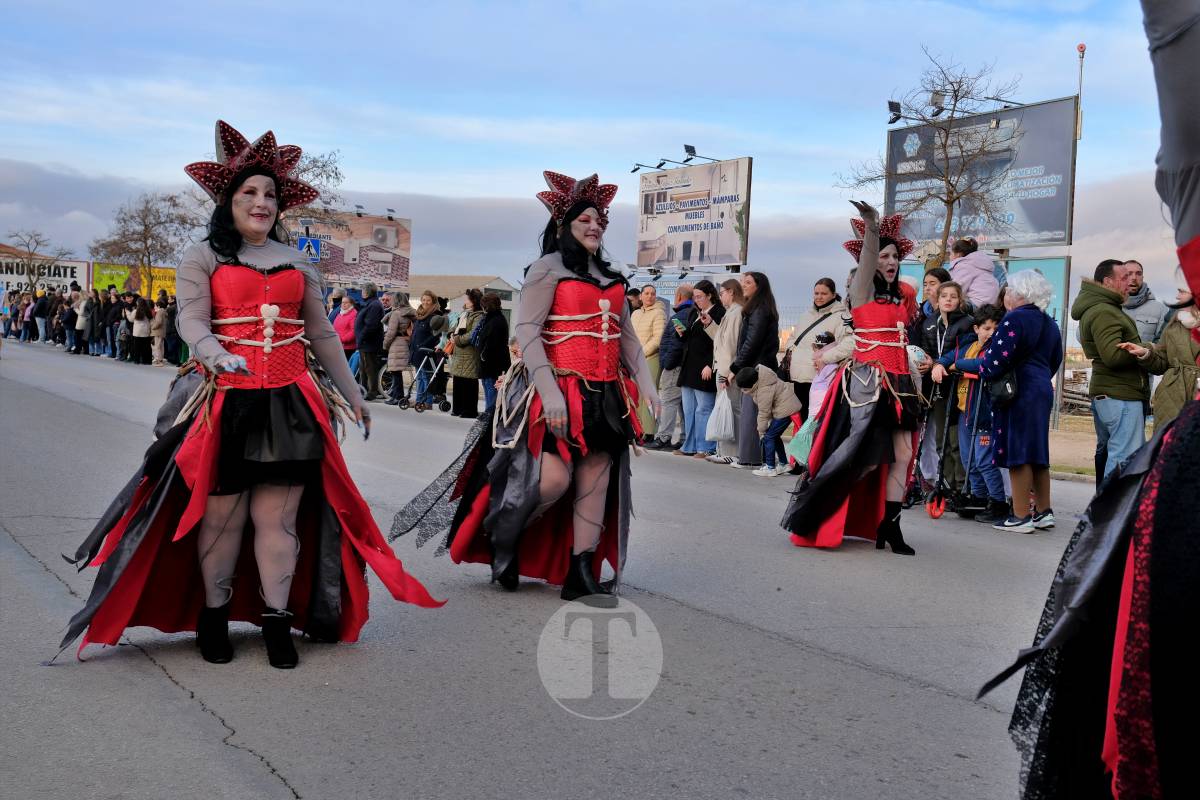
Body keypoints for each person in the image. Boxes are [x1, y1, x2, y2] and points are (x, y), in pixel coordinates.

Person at [60, 120, 441, 669]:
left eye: (270, 194)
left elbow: (324, 333)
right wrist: (217, 355)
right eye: (249, 193)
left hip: (290, 400)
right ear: (227, 199)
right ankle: (213, 615)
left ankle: (277, 621)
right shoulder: (201, 255)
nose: (262, 202)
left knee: (278, 520)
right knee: (223, 520)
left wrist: (354, 392)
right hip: (223, 404)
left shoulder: (299, 261)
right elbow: (192, 322)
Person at [981, 6, 1200, 793]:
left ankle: (1028, 511)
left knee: (1031, 456)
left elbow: (1027, 355)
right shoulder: (1066, 316)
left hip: (1049, 393)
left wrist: (973, 367)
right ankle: (1032, 510)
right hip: (1079, 398)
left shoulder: (1031, 323)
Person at [391, 171, 659, 604]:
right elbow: (529, 332)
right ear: (563, 225)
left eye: (600, 220)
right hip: (554, 389)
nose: (595, 226)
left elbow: (625, 335)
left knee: (596, 479)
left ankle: (580, 572)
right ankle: (505, 536)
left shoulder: (611, 274)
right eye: (585, 219)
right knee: (551, 481)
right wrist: (550, 392)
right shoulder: (545, 269)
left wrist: (645, 384)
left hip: (606, 392)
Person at [783, 205, 924, 554]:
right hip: (868, 385)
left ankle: (890, 528)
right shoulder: (861, 291)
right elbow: (869, 256)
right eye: (884, 256)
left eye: (895, 257)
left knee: (904, 456)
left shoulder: (899, 298)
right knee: (866, 460)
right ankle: (820, 509)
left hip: (899, 382)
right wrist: (873, 229)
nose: (890, 262)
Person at [976, 271, 1063, 532]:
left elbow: (995, 360)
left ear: (1019, 293)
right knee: (1038, 452)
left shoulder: (1014, 319)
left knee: (1018, 452)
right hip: (1041, 387)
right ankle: (1044, 512)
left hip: (1019, 390)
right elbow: (1055, 358)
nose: (1005, 296)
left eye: (1009, 291)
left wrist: (982, 369)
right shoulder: (1049, 323)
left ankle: (1020, 515)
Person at [1071, 259, 1150, 481]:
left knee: (1118, 457)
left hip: (1113, 395)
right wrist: (1143, 350)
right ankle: (1108, 514)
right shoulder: (1105, 311)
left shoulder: (1104, 307)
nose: (1130, 282)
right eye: (1124, 277)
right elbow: (1113, 356)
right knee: (1123, 460)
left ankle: (1107, 512)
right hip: (1120, 397)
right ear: (1108, 281)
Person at [935, 304, 1008, 523]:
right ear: (976, 328)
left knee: (985, 460)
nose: (991, 333)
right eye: (986, 328)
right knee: (969, 460)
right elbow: (949, 357)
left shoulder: (996, 350)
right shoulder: (967, 345)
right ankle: (978, 497)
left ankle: (998, 502)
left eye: (996, 329)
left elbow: (981, 364)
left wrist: (958, 365)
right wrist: (940, 365)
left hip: (984, 414)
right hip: (965, 412)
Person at [1118, 269, 1200, 432]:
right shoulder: (1175, 322)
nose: (1177, 297)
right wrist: (1145, 353)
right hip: (1171, 399)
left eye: (1182, 291)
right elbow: (1162, 359)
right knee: (1171, 451)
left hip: (1196, 395)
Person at [920, 281, 973, 500]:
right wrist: (926, 362)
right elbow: (926, 352)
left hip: (959, 386)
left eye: (953, 296)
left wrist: (941, 363)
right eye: (944, 296)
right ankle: (948, 485)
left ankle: (962, 487)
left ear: (960, 300)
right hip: (937, 386)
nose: (948, 300)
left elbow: (965, 351)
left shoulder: (967, 323)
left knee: (955, 440)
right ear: (938, 300)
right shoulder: (930, 324)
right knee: (941, 440)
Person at [729, 271, 780, 469]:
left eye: (748, 282)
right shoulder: (758, 307)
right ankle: (753, 456)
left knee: (751, 413)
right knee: (754, 412)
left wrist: (736, 366)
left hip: (756, 368)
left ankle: (749, 457)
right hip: (757, 365)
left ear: (759, 286)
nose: (743, 285)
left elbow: (752, 342)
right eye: (742, 281)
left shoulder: (759, 309)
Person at [784, 278, 852, 421]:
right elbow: (793, 337)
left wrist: (825, 358)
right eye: (816, 293)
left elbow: (847, 344)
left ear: (833, 295)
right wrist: (792, 350)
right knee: (802, 422)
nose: (819, 297)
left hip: (819, 379)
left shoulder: (842, 317)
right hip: (797, 378)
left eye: (824, 293)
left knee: (816, 422)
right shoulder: (805, 315)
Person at [676, 280, 725, 458]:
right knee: (689, 410)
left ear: (710, 295)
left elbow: (718, 342)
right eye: (695, 297)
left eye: (699, 297)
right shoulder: (694, 313)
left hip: (705, 367)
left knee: (704, 408)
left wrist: (710, 364)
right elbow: (693, 339)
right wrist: (682, 333)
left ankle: (706, 447)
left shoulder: (719, 313)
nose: (696, 300)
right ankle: (690, 446)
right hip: (689, 366)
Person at [644, 284, 694, 451]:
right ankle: (684, 437)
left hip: (674, 366)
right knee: (681, 404)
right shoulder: (689, 314)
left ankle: (663, 437)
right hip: (683, 365)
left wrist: (668, 363)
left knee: (669, 402)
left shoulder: (679, 316)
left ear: (679, 296)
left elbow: (675, 343)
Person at [705, 278, 746, 465]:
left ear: (731, 291)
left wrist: (727, 371)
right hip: (723, 367)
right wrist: (710, 325)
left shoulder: (736, 313)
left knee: (732, 410)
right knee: (724, 409)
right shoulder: (731, 312)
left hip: (727, 370)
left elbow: (731, 345)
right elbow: (721, 342)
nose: (720, 297)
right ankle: (723, 450)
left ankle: (732, 451)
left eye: (721, 293)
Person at [736, 364, 802, 477]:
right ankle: (783, 464)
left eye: (745, 389)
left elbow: (763, 413)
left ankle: (770, 467)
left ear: (753, 385)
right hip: (787, 407)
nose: (743, 391)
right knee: (774, 436)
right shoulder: (762, 378)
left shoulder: (764, 390)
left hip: (786, 410)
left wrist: (761, 432)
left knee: (768, 437)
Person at [448, 288, 484, 417]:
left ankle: (469, 410)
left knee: (469, 382)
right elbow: (454, 327)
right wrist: (451, 334)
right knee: (458, 380)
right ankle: (457, 408)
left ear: (474, 301)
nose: (465, 301)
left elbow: (472, 334)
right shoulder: (464, 313)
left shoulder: (479, 315)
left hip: (469, 353)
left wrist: (457, 339)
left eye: (467, 299)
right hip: (459, 353)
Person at [476, 291, 511, 412]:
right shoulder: (494, 318)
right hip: (490, 364)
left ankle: (489, 417)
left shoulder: (495, 320)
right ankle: (488, 415)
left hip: (493, 364)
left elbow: (491, 343)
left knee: (491, 392)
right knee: (489, 390)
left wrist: (483, 355)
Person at [1121, 258, 1170, 343]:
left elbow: (1163, 345)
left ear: (1142, 277)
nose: (1134, 278)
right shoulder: (1111, 306)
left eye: (1138, 274)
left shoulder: (1160, 309)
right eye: (1129, 274)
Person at [947, 237, 1000, 309]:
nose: (949, 257)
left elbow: (957, 288)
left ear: (958, 254)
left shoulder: (965, 265)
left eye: (950, 253)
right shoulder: (979, 262)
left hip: (978, 304)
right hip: (993, 302)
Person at [409, 290, 441, 411]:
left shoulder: (435, 316)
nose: (425, 302)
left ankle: (427, 401)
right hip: (417, 351)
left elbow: (435, 335)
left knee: (426, 377)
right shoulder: (420, 316)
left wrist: (423, 345)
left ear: (433, 301)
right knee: (419, 376)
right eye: (423, 300)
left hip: (426, 351)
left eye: (428, 300)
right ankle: (419, 399)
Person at [382, 291, 414, 406]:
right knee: (397, 372)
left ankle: (397, 396)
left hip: (396, 343)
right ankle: (396, 396)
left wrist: (385, 345)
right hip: (406, 342)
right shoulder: (411, 312)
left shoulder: (396, 314)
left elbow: (390, 333)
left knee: (395, 372)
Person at [354, 282, 385, 402]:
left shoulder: (375, 305)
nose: (361, 293)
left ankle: (372, 392)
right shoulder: (370, 303)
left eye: (362, 291)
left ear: (367, 292)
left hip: (369, 343)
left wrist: (361, 338)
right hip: (365, 343)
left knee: (370, 368)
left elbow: (371, 325)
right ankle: (364, 389)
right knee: (364, 368)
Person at [125, 296, 153, 365]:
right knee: (146, 347)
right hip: (146, 331)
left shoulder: (135, 311)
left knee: (137, 347)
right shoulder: (148, 311)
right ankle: (147, 361)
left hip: (137, 332)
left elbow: (131, 319)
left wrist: (127, 312)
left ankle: (137, 360)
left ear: (138, 303)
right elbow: (151, 319)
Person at [332, 294, 358, 359]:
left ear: (351, 304)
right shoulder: (340, 314)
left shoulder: (354, 314)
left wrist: (342, 340)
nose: (343, 304)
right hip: (338, 345)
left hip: (348, 348)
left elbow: (354, 331)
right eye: (342, 302)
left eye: (346, 302)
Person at [150, 296, 168, 365]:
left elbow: (158, 322)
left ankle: (158, 360)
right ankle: (160, 359)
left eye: (155, 306)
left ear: (159, 306)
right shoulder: (163, 312)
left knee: (157, 346)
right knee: (161, 346)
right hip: (161, 332)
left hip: (158, 331)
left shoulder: (160, 312)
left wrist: (153, 327)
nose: (154, 308)